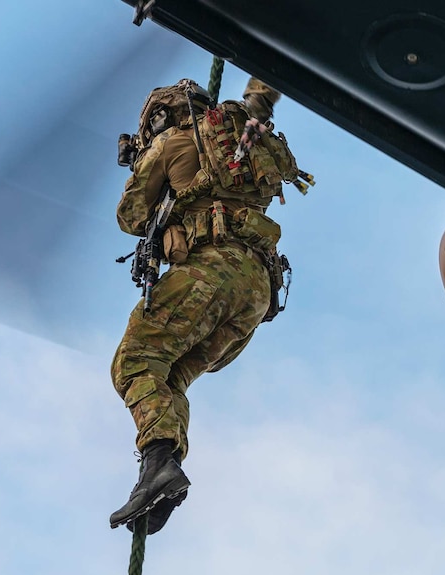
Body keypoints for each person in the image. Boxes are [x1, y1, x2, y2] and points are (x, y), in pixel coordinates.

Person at [109, 76, 300, 534]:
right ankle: (161, 471)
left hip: (210, 272)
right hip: (256, 290)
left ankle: (159, 462)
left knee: (135, 361)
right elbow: (261, 97)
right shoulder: (242, 136)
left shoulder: (173, 142)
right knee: (170, 376)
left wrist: (146, 162)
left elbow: (130, 216)